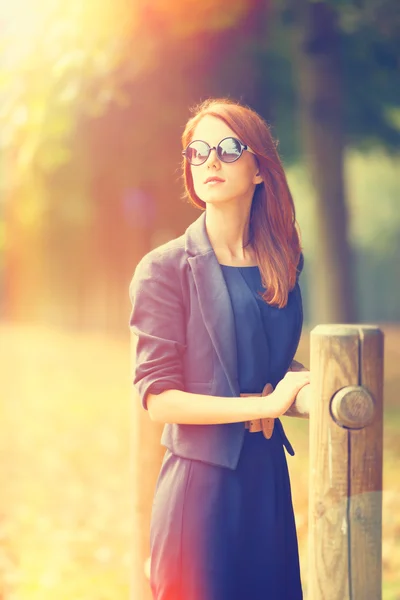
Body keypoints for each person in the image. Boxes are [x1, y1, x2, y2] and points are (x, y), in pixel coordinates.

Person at [129, 98, 311, 600]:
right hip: (198, 491)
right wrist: (263, 405)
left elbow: (266, 359)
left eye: (229, 148)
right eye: (198, 150)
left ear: (259, 168)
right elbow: (158, 399)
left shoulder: (284, 265)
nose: (211, 160)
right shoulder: (163, 269)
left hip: (267, 483)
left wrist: (305, 382)